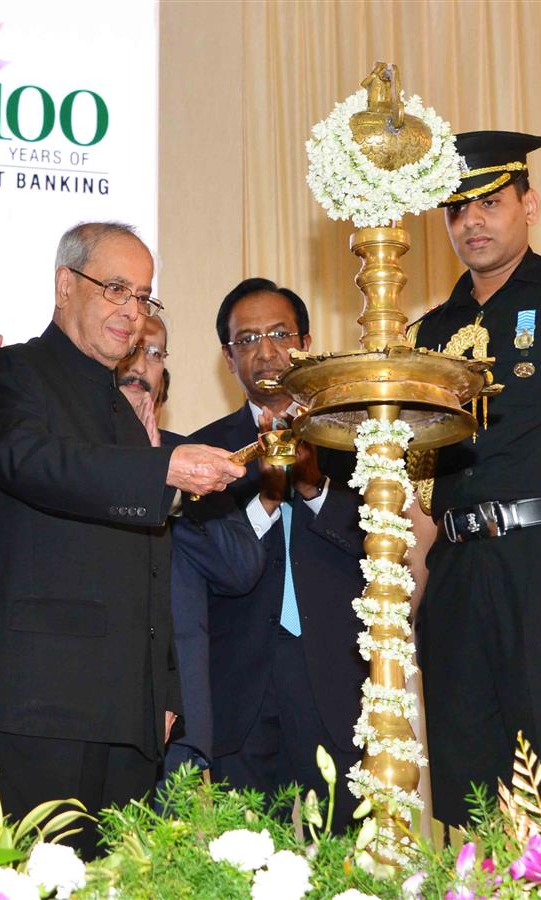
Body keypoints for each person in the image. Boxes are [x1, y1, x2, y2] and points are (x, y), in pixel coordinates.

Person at [0, 221, 244, 858]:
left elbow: (149, 563)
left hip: (128, 711)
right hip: (35, 700)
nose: (132, 312)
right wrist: (160, 468)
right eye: (115, 289)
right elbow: (30, 461)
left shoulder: (123, 408)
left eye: (143, 297)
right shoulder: (10, 373)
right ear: (65, 285)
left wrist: (163, 694)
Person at [408, 131, 541, 826]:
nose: (471, 222)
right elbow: (420, 481)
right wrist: (409, 596)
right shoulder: (427, 335)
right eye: (455, 210)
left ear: (529, 205)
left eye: (490, 204)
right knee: (469, 780)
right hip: (456, 572)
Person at [192, 278, 366, 825]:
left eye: (278, 334)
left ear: (306, 343)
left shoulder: (354, 437)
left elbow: (377, 550)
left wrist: (314, 491)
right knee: (242, 859)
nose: (264, 351)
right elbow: (208, 564)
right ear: (227, 357)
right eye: (246, 340)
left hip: (333, 680)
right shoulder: (204, 451)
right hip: (241, 683)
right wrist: (267, 498)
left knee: (346, 859)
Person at [116, 320, 265, 781]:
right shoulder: (64, 460)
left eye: (156, 353)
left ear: (163, 388)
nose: (142, 363)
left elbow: (241, 569)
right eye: (134, 348)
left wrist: (174, 489)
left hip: (177, 724)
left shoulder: (194, 460)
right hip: (85, 713)